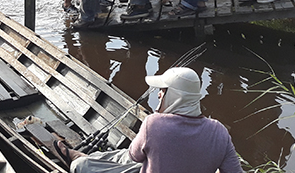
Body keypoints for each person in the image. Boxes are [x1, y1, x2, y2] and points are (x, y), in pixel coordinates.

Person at [56, 67, 243, 173]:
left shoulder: (154, 124)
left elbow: (133, 157)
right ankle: (86, 157)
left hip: (139, 162)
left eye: (163, 91)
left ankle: (81, 159)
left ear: (174, 96)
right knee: (126, 156)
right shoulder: (219, 132)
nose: (159, 94)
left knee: (81, 167)